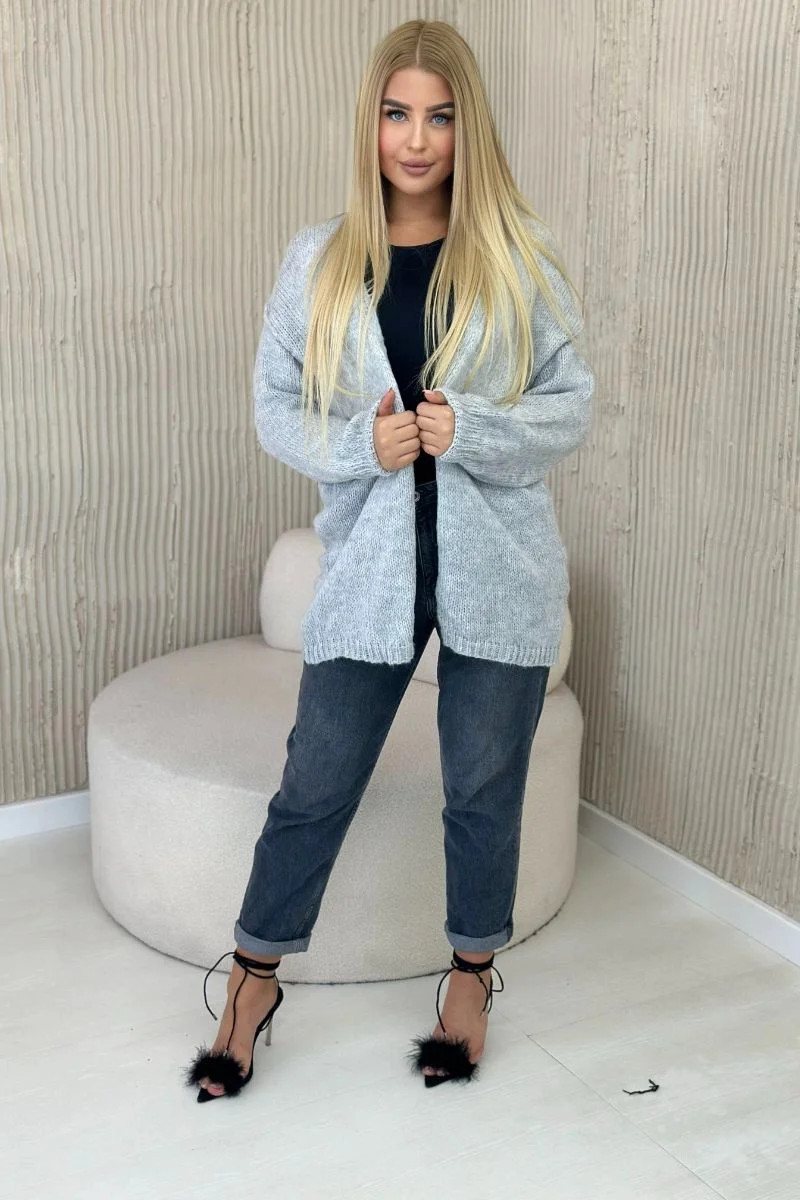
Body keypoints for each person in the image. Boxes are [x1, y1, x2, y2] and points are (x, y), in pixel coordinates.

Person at [185, 17, 594, 1101]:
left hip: (499, 568)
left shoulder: (518, 253)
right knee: (315, 780)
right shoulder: (319, 260)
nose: (416, 139)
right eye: (397, 113)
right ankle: (253, 978)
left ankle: (470, 974)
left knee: (482, 786)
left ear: (468, 128)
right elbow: (276, 405)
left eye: (440, 116)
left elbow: (570, 404)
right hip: (371, 568)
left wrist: (477, 431)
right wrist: (358, 448)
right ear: (369, 123)